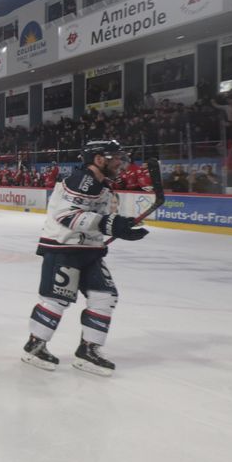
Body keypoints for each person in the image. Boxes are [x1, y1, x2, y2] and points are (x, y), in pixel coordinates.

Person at [22, 139, 149, 376]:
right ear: (99, 159)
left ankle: (89, 350)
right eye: (116, 158)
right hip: (63, 249)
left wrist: (121, 226)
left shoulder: (103, 186)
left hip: (89, 251)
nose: (121, 163)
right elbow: (66, 216)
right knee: (56, 299)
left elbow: (100, 221)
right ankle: (35, 346)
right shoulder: (82, 180)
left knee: (104, 296)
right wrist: (111, 225)